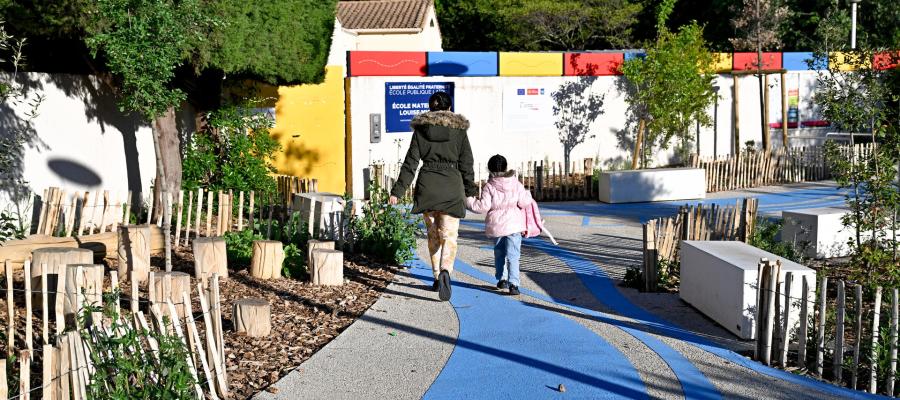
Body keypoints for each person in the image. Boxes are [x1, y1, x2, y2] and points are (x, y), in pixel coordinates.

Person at [389, 91, 476, 302]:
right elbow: (466, 164)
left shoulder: (421, 130)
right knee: (449, 235)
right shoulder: (459, 131)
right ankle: (446, 270)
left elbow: (410, 162)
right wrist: (471, 191)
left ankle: (436, 276)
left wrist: (397, 192)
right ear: (449, 109)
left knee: (433, 234)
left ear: (430, 108)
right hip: (452, 187)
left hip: (427, 187)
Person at [465, 154, 534, 295]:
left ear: (489, 169)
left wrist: (468, 201)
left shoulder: (489, 186)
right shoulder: (516, 183)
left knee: (499, 253)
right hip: (514, 224)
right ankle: (514, 284)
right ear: (506, 167)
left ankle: (501, 279)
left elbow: (483, 206)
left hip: (498, 225)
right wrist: (527, 194)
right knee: (513, 255)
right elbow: (523, 202)